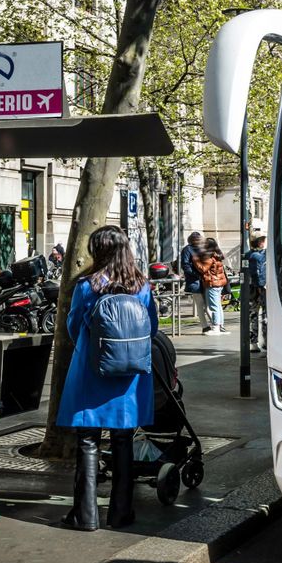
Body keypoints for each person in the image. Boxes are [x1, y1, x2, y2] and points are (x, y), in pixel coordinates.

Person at [56, 225, 157, 531]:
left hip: (91, 371)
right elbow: (151, 328)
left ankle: (85, 516)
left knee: (88, 441)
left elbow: (73, 328)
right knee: (123, 440)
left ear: (97, 251)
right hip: (129, 379)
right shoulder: (142, 287)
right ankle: (121, 513)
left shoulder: (87, 287)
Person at [193, 237, 228, 335]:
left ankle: (216, 327)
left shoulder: (209, 257)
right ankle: (220, 326)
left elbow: (203, 269)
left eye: (204, 244)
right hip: (219, 283)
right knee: (218, 306)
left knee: (214, 306)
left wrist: (196, 260)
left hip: (212, 283)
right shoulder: (217, 255)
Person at [180, 232, 212, 334]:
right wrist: (196, 274)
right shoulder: (188, 249)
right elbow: (185, 265)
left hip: (204, 279)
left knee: (207, 304)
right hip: (195, 280)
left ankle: (214, 325)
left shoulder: (201, 248)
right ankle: (206, 326)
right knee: (201, 304)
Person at [245, 235, 267, 352]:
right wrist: (261, 286)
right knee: (264, 315)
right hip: (260, 288)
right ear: (261, 243)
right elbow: (259, 273)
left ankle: (253, 342)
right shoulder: (259, 256)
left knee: (253, 315)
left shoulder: (249, 254)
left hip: (251, 288)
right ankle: (264, 343)